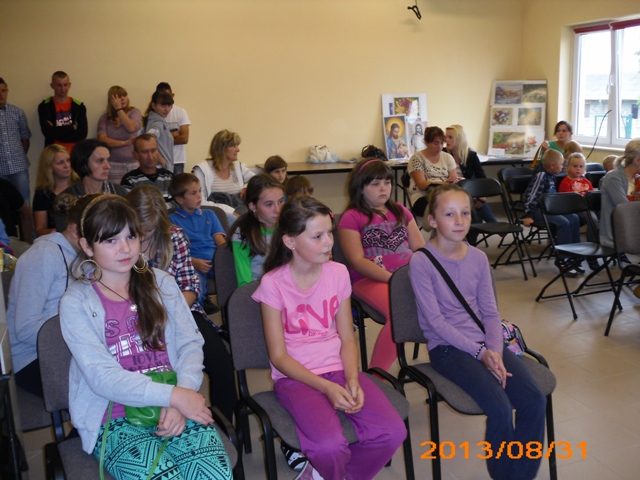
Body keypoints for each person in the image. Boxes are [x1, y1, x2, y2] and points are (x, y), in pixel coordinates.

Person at [59, 195, 232, 480]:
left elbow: (190, 345)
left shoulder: (162, 283)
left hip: (176, 399)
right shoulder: (76, 302)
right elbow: (102, 377)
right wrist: (175, 396)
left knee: (214, 475)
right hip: (114, 415)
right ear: (87, 246)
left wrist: (180, 397)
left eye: (131, 236)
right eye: (110, 240)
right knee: (165, 476)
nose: (125, 248)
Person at [253, 196, 407, 480]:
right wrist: (326, 387)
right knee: (329, 446)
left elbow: (347, 337)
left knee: (392, 432)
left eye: (329, 233)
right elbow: (279, 356)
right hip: (296, 377)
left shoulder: (338, 273)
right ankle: (325, 471)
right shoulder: (273, 284)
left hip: (339, 368)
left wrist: (352, 378)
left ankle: (323, 475)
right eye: (317, 236)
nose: (328, 243)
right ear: (290, 242)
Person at [409, 184, 546, 480]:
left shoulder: (479, 258)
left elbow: (490, 313)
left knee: (534, 400)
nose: (459, 221)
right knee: (499, 409)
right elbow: (435, 322)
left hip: (485, 344)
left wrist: (494, 350)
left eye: (465, 213)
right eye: (449, 214)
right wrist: (480, 352)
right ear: (432, 220)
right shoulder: (421, 261)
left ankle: (520, 476)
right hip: (447, 349)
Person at [126, 185, 238, 421]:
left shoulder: (174, 235)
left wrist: (170, 316)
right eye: (139, 230)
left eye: (150, 230)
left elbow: (189, 286)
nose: (144, 236)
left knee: (221, 364)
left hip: (180, 312)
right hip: (135, 318)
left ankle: (224, 426)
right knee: (153, 371)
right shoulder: (119, 242)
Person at [337, 159, 423, 371]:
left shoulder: (401, 211)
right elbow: (357, 261)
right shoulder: (352, 217)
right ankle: (378, 375)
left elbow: (420, 249)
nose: (383, 188)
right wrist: (393, 280)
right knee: (400, 313)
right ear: (360, 187)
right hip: (369, 280)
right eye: (375, 184)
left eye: (387, 182)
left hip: (407, 276)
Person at [7, 194, 96, 397]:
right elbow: (25, 329)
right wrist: (82, 340)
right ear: (75, 230)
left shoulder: (87, 260)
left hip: (71, 348)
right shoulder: (43, 255)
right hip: (32, 356)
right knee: (102, 391)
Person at [169, 173, 225, 313]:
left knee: (233, 278)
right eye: (193, 193)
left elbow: (220, 242)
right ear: (180, 199)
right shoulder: (171, 220)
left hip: (216, 261)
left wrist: (223, 260)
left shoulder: (209, 214)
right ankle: (200, 308)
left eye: (199, 191)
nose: (199, 196)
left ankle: (231, 315)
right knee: (194, 285)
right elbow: (172, 251)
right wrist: (193, 262)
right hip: (191, 263)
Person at [522, 149, 582, 276]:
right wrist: (529, 214)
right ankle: (563, 259)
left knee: (574, 218)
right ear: (552, 165)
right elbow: (531, 196)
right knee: (563, 222)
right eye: (561, 164)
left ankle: (574, 254)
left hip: (549, 210)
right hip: (537, 211)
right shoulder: (541, 175)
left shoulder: (552, 174)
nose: (563, 166)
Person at [228, 174, 285, 287]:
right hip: (258, 291)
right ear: (252, 206)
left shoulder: (289, 228)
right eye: (269, 204)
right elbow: (244, 283)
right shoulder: (243, 234)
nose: (278, 210)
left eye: (280, 201)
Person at [444, 124, 498, 231]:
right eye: (446, 137)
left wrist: (482, 196)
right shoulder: (443, 154)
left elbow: (482, 177)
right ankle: (494, 224)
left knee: (477, 204)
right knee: (474, 205)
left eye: (450, 137)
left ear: (459, 139)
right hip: (452, 191)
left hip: (470, 192)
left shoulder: (471, 155)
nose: (447, 140)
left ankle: (474, 236)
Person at [192, 129, 255, 219]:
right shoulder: (202, 170)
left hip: (240, 212)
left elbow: (257, 181)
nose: (238, 150)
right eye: (233, 146)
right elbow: (200, 201)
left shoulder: (238, 167)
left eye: (237, 145)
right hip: (217, 215)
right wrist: (231, 212)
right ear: (221, 148)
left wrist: (247, 187)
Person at [407, 126, 460, 217]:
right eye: (436, 143)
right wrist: (443, 183)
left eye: (442, 143)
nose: (439, 147)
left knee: (463, 205)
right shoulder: (417, 158)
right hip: (422, 197)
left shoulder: (447, 157)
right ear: (426, 142)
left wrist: (452, 181)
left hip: (445, 195)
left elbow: (454, 181)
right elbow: (422, 185)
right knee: (443, 207)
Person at [97, 85, 143, 183]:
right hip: (113, 164)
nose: (122, 99)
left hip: (133, 163)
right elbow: (102, 139)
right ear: (111, 100)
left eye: (124, 96)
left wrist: (119, 110)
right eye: (118, 97)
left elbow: (131, 128)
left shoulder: (135, 112)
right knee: (116, 191)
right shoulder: (104, 118)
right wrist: (124, 143)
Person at [600, 138, 640, 249]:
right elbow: (626, 210)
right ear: (637, 161)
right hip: (618, 234)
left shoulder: (637, 178)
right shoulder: (613, 177)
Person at [33, 145, 80, 236]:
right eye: (60, 163)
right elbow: (40, 230)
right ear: (49, 166)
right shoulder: (42, 193)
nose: (67, 165)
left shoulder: (80, 184)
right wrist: (59, 232)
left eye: (68, 160)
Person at [0, 77, 32, 206]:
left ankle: (27, 222)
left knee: (24, 201)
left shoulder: (17, 112)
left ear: (7, 91)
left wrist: (20, 156)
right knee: (3, 205)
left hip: (19, 166)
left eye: (3, 90)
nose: (0, 94)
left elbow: (25, 138)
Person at [37, 71, 87, 152]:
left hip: (75, 154)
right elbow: (48, 133)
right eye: (59, 85)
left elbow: (82, 134)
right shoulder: (44, 106)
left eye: (65, 85)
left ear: (69, 85)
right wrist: (72, 127)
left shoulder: (79, 106)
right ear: (52, 86)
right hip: (53, 154)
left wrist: (55, 131)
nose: (63, 89)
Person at [62, 139, 128, 197]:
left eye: (108, 160)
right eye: (100, 161)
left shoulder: (119, 192)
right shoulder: (69, 197)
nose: (108, 166)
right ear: (83, 164)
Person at [121, 134, 174, 202]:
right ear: (136, 155)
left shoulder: (168, 177)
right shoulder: (130, 180)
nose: (150, 157)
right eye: (145, 152)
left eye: (153, 150)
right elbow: (127, 206)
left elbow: (175, 204)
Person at [156, 83, 191, 175]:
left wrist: (162, 139)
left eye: (167, 96)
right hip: (159, 161)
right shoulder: (153, 115)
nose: (165, 99)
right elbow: (152, 141)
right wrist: (174, 134)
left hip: (177, 160)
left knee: (178, 184)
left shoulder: (180, 112)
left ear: (172, 96)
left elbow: (184, 139)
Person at [0, 178, 33, 257]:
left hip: (9, 240)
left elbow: (26, 212)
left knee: (31, 253)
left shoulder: (3, 185)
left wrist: (27, 241)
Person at [143, 90, 174, 172]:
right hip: (160, 168)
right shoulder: (158, 122)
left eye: (169, 105)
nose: (167, 109)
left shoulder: (152, 119)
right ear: (153, 105)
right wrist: (160, 159)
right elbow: (149, 138)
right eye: (163, 105)